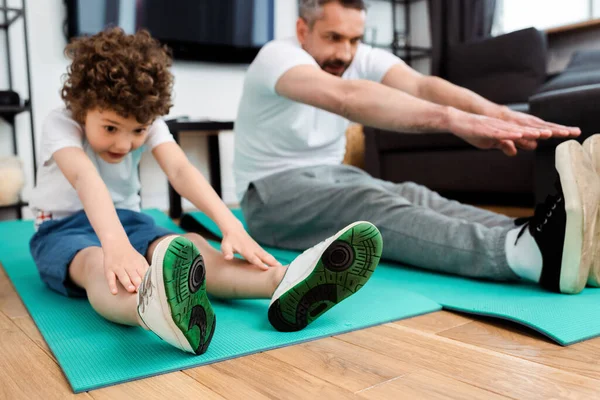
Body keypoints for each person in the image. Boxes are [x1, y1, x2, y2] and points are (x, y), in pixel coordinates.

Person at [28, 27, 383, 356]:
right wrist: (115, 246)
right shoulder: (61, 122)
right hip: (62, 229)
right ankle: (151, 309)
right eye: (110, 128)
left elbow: (181, 170)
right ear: (81, 106)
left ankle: (284, 280)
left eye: (138, 130)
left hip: (130, 221)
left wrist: (231, 226)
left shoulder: (144, 119)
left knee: (195, 248)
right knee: (97, 264)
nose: (125, 142)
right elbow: (85, 178)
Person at [233, 0, 600, 295]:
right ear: (303, 30)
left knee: (413, 194)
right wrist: (453, 120)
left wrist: (498, 114)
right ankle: (519, 254)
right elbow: (344, 97)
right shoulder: (276, 57)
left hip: (334, 175)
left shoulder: (356, 57)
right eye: (333, 37)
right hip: (270, 193)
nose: (345, 53)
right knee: (370, 206)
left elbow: (423, 86)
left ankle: (551, 237)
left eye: (354, 40)